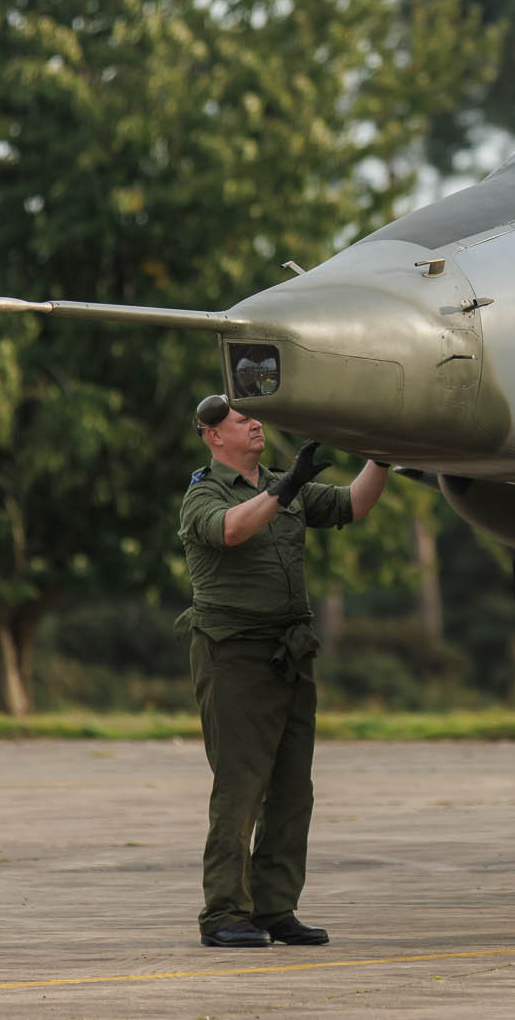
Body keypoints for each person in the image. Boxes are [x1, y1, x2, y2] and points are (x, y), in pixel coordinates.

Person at [177, 394, 388, 948]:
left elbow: (354, 505)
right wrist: (285, 488)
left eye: (253, 416)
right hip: (233, 655)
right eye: (239, 418)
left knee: (294, 789)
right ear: (211, 435)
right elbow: (230, 530)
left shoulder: (281, 482)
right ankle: (224, 913)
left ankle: (274, 908)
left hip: (290, 651)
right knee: (241, 787)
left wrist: (384, 455)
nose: (253, 422)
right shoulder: (205, 493)